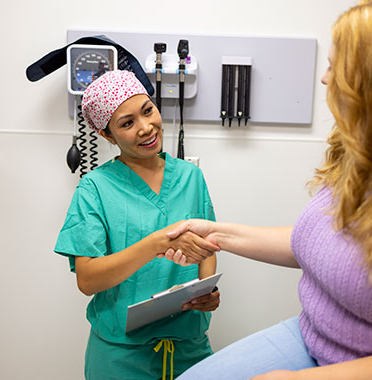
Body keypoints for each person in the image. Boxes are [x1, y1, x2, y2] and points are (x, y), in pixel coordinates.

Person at [166, 1, 372, 379]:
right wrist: (217, 234)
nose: (324, 79)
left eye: (335, 67)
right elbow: (318, 244)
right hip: (316, 340)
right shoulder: (367, 152)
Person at [54, 70, 221, 380]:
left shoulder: (190, 177)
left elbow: (207, 246)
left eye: (148, 111)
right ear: (107, 135)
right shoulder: (94, 188)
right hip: (121, 357)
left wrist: (206, 288)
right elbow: (87, 280)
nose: (146, 128)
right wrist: (158, 243)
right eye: (127, 123)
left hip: (190, 349)